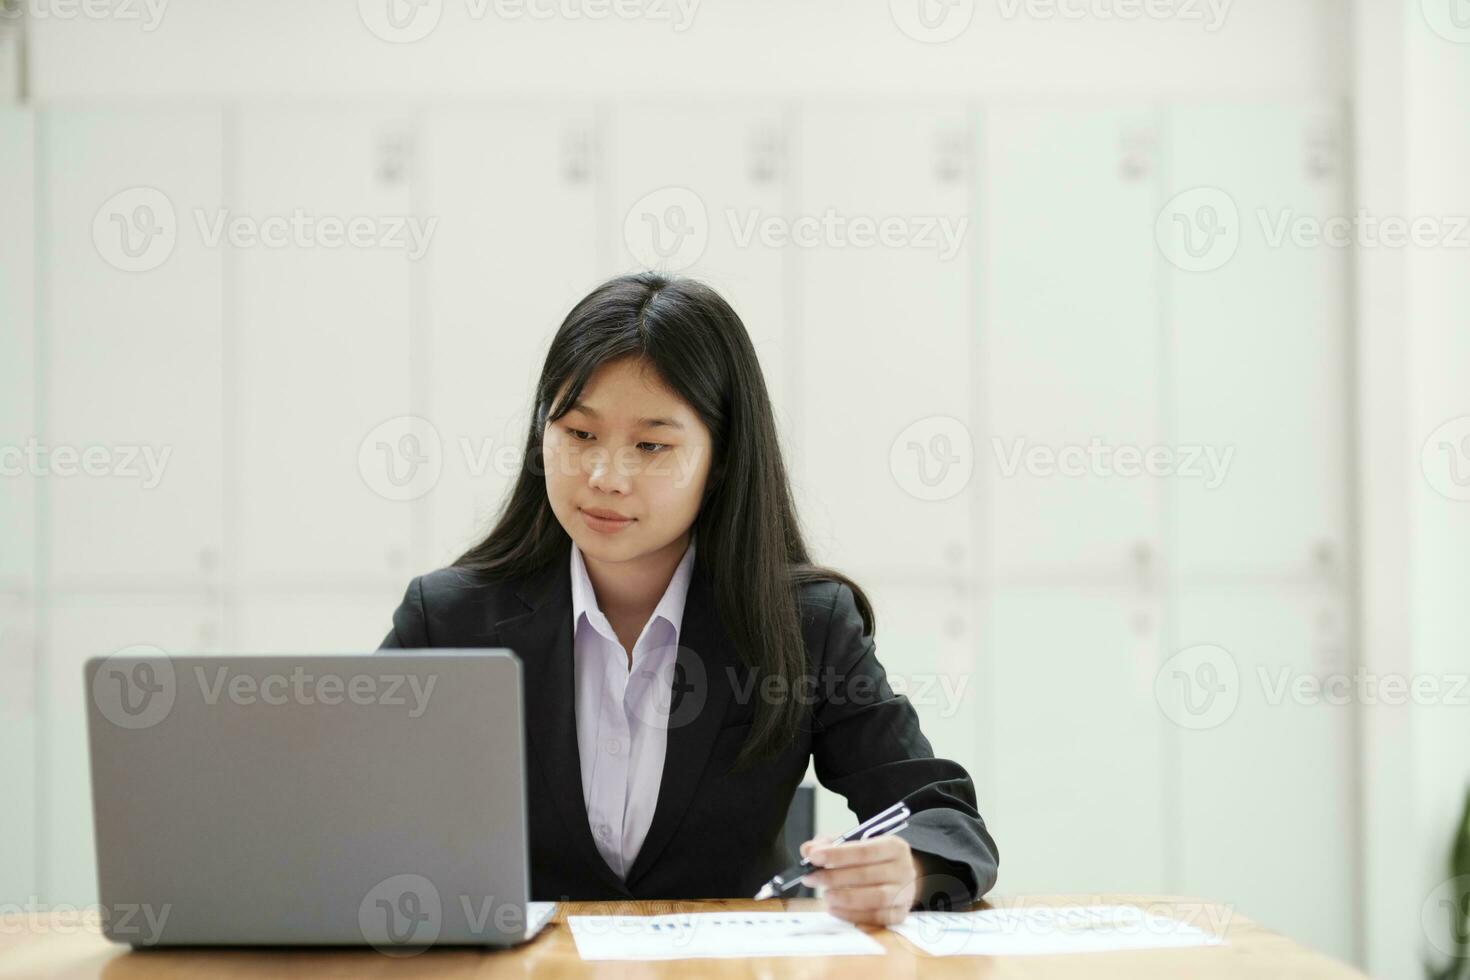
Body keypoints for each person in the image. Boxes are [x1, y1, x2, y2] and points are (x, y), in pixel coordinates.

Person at [379, 271, 998, 924]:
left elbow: (941, 817)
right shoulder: (448, 619)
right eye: (579, 434)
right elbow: (343, 807)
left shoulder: (803, 626)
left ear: (722, 457)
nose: (604, 478)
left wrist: (909, 867)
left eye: (651, 446)